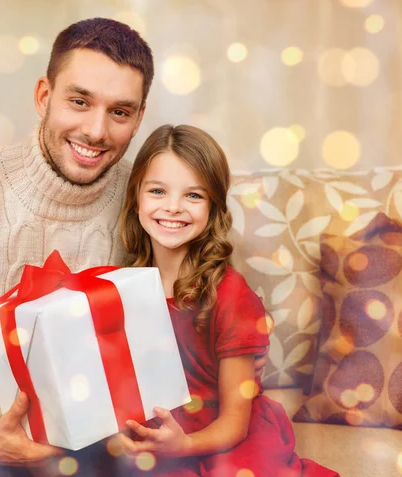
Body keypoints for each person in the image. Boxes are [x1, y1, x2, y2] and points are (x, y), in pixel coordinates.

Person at [0, 19, 266, 477]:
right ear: (44, 96)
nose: (96, 130)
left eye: (120, 112)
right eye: (79, 101)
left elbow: (196, 295)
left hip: (89, 438)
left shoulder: (148, 203)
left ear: (139, 117)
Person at [113, 124, 338, 477]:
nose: (173, 207)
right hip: (166, 429)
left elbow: (235, 420)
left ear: (213, 205)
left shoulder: (230, 294)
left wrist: (184, 445)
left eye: (193, 196)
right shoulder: (123, 286)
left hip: (228, 435)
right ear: (136, 198)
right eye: (157, 190)